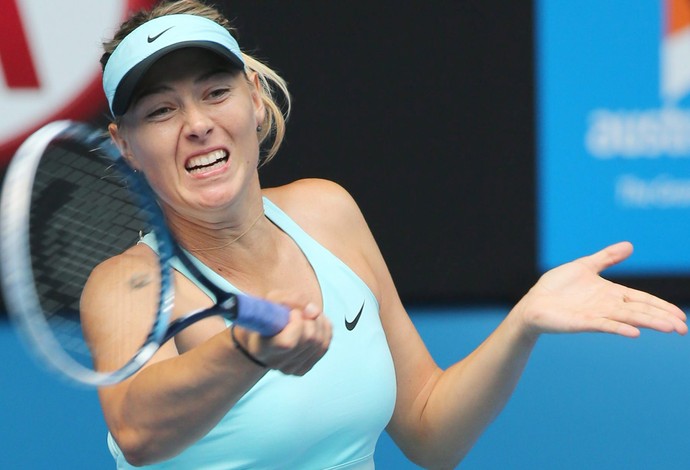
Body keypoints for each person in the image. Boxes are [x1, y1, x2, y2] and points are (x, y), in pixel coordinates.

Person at [83, 1, 688, 468]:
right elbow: (138, 432)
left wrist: (521, 323)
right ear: (125, 146)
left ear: (257, 101)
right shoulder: (128, 285)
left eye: (216, 93)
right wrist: (246, 351)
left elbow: (430, 430)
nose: (197, 125)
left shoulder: (328, 212)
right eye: (160, 111)